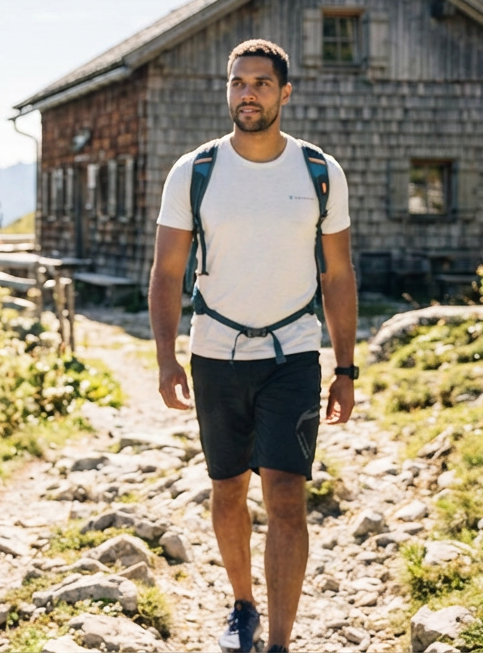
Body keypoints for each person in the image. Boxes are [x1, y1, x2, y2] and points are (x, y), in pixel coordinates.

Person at [148, 39, 357, 653]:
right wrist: (167, 355)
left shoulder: (319, 172)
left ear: (284, 93)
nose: (248, 94)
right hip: (215, 353)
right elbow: (166, 271)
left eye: (262, 84)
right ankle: (243, 604)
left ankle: (280, 641)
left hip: (293, 354)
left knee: (288, 494)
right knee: (228, 487)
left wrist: (344, 367)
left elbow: (338, 275)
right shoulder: (195, 171)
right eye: (238, 82)